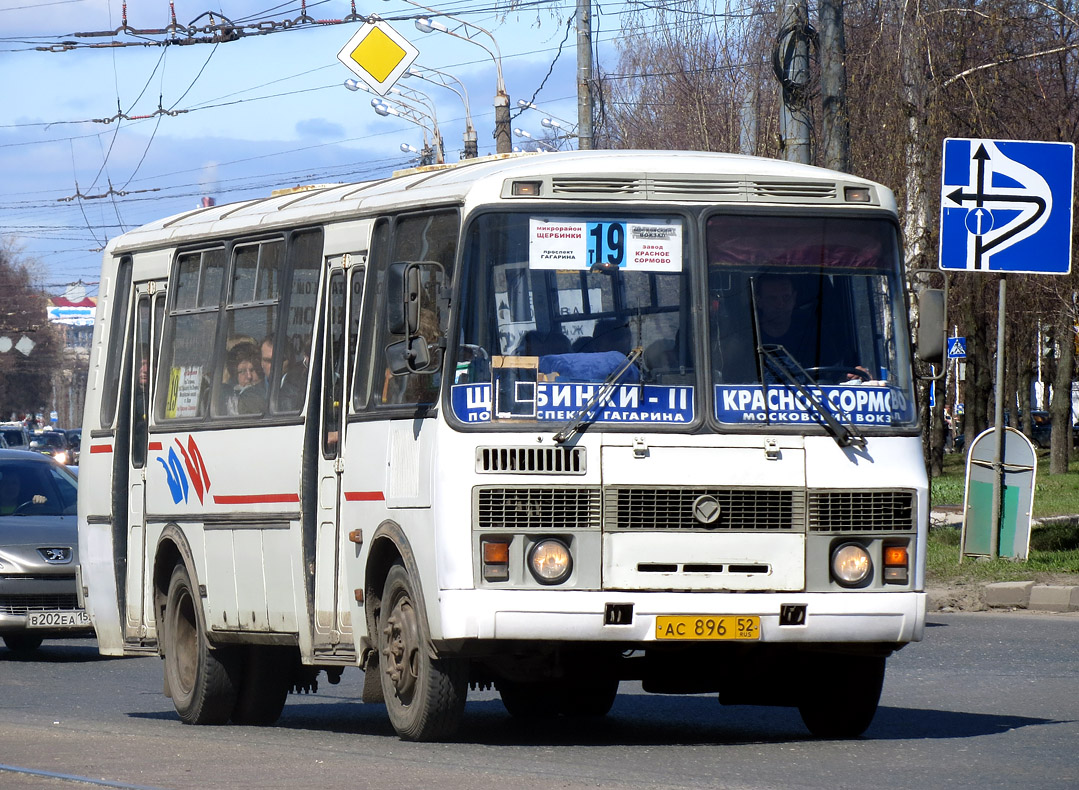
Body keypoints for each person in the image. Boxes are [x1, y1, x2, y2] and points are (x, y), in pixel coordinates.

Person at [224, 341, 265, 415]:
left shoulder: (269, 395)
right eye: (242, 372)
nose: (249, 376)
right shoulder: (228, 400)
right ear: (235, 376)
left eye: (252, 370)